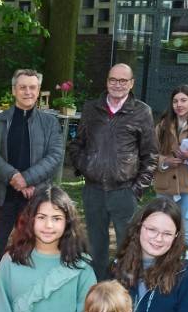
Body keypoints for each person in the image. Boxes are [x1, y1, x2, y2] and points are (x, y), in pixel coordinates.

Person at [0, 69, 66, 310]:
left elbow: (55, 155)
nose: (28, 92)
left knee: (33, 247)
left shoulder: (50, 122)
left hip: (36, 197)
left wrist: (28, 179)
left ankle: (29, 297)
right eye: (22, 87)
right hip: (3, 195)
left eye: (32, 87)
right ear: (14, 90)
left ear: (38, 91)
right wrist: (13, 177)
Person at [68, 63, 158, 280]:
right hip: (94, 192)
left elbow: (151, 155)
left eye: (123, 81)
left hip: (124, 192)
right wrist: (86, 166)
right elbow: (77, 144)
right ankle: (98, 291)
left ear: (131, 83)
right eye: (113, 80)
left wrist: (136, 189)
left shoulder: (141, 112)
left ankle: (125, 291)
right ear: (107, 81)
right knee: (95, 248)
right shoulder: (91, 108)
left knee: (127, 247)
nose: (117, 85)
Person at [154, 85, 188, 248]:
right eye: (175, 101)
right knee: (160, 227)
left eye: (184, 100)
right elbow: (149, 154)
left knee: (185, 230)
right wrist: (164, 161)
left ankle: (186, 267)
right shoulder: (162, 126)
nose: (179, 105)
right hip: (165, 185)